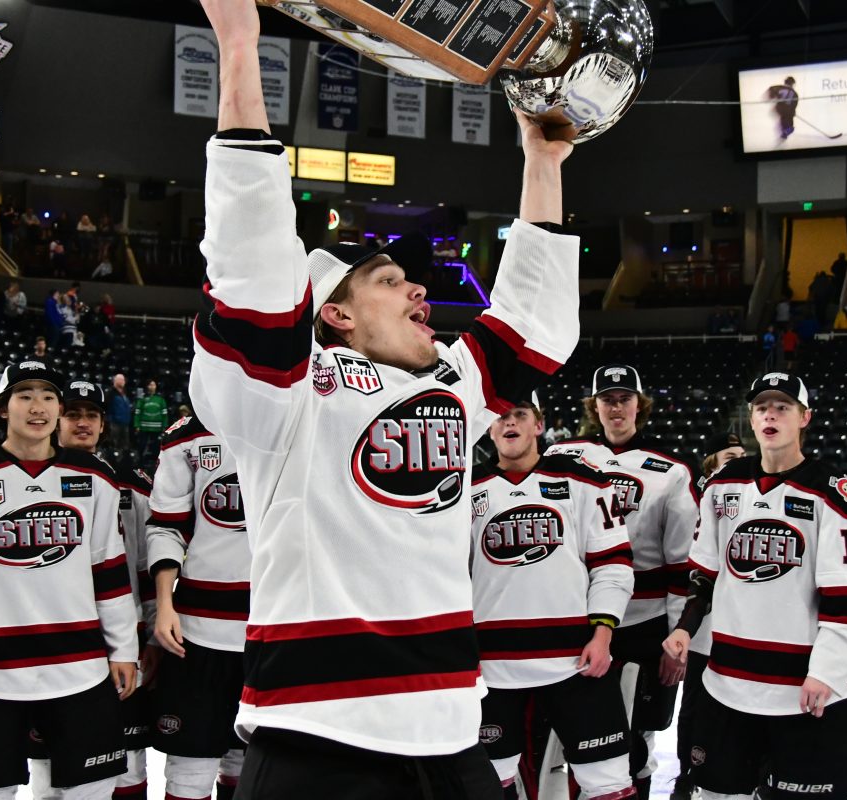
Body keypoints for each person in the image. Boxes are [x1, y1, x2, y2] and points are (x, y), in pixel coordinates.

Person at [186, 0, 578, 794]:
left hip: (450, 731)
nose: (419, 290)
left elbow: (535, 324)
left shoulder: (448, 385)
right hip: (317, 737)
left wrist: (543, 163)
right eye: (390, 282)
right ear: (333, 312)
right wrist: (238, 44)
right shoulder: (286, 397)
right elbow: (254, 264)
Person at [0, 360, 139, 800]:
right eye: (25, 395)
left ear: (59, 410)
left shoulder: (93, 477)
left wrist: (124, 649)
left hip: (81, 666)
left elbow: (108, 572)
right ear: (3, 408)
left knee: (92, 788)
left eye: (48, 397)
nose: (38, 407)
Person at [663, 372, 847, 800]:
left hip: (803, 689)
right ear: (752, 420)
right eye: (761, 408)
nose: (770, 415)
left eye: (782, 407)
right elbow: (705, 574)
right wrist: (685, 627)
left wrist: (827, 673)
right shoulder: (723, 483)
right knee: (718, 792)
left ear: (804, 417)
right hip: (727, 680)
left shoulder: (832, 492)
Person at [544, 366, 699, 797]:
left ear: (639, 404)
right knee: (574, 730)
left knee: (638, 735)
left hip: (644, 622)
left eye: (624, 398)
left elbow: (680, 565)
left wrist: (675, 637)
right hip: (578, 617)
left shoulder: (671, 470)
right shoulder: (562, 457)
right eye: (608, 399)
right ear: (594, 407)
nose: (616, 407)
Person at [470, 400, 635, 800]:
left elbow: (612, 564)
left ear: (539, 424)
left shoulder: (584, 480)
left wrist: (603, 632)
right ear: (487, 428)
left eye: (520, 414)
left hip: (575, 659)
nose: (509, 422)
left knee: (609, 780)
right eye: (500, 416)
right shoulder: (462, 488)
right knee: (488, 782)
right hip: (491, 666)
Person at [28, 378, 155, 800]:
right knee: (47, 762)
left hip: (122, 639)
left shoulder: (131, 484)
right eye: (73, 414)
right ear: (57, 419)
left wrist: (149, 636)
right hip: (53, 643)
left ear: (104, 426)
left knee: (128, 756)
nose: (82, 423)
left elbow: (144, 566)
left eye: (92, 416)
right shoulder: (28, 482)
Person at [147, 413, 250, 800]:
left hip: (275, 631)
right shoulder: (185, 436)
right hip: (197, 631)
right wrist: (164, 603)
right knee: (190, 768)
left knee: (254, 766)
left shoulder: (297, 414)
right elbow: (165, 526)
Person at [671, 431, 748, 800]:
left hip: (740, 629)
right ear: (710, 464)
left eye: (741, 455)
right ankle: (687, 775)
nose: (739, 460)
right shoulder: (695, 502)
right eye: (729, 456)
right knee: (695, 711)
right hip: (700, 627)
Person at [132, 380, 167, 465]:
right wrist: (137, 425)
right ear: (147, 386)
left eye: (153, 385)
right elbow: (137, 413)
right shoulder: (142, 399)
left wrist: (164, 426)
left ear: (156, 386)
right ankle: (140, 461)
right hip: (144, 427)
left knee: (156, 446)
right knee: (142, 445)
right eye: (150, 385)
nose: (152, 386)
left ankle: (155, 462)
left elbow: (164, 414)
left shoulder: (161, 400)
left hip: (157, 428)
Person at [107, 374, 132, 452]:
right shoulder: (111, 393)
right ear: (115, 381)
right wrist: (110, 420)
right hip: (115, 424)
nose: (123, 381)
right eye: (121, 380)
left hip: (125, 423)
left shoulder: (125, 393)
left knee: (125, 445)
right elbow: (107, 408)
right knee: (114, 444)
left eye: (123, 380)